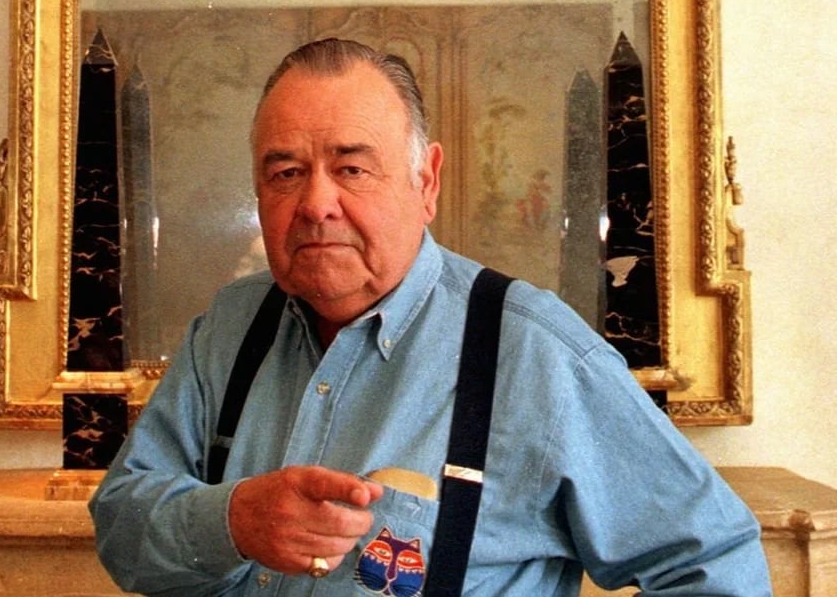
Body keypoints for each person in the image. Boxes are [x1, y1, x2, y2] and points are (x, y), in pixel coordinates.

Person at [89, 38, 771, 596]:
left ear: (427, 181)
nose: (316, 203)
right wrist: (232, 521)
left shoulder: (536, 353)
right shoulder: (229, 329)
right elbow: (121, 525)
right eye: (286, 172)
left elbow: (715, 567)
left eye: (352, 169)